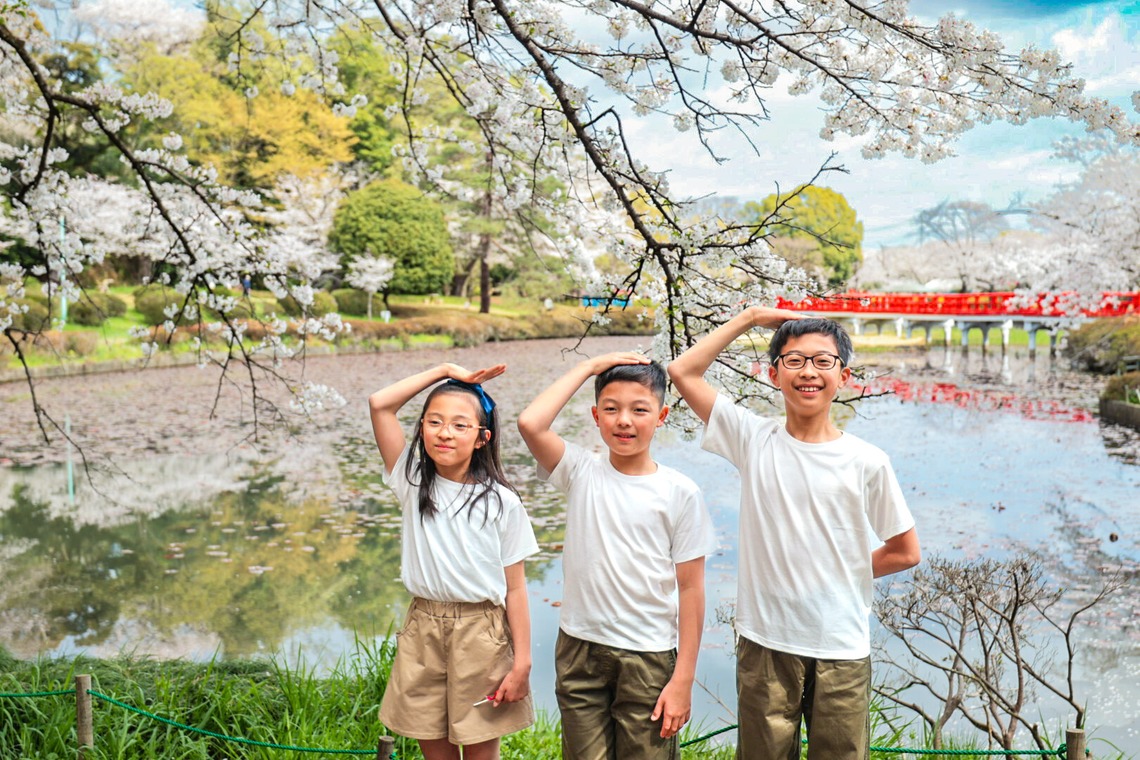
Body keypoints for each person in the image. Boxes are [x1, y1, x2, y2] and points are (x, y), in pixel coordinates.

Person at [668, 308, 922, 760]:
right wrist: (752, 317)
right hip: (766, 641)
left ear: (843, 376)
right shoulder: (753, 439)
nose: (809, 372)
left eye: (823, 362)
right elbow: (682, 370)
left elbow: (905, 552)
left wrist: (837, 572)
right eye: (795, 360)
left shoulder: (867, 460)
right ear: (773, 374)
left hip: (841, 644)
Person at [517, 353, 717, 760]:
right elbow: (530, 423)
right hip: (579, 648)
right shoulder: (580, 470)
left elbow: (691, 588)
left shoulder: (680, 492)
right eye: (611, 409)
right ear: (595, 415)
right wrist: (590, 367)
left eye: (639, 410)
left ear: (660, 417)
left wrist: (683, 679)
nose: (624, 420)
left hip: (648, 655)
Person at [369, 363, 537, 760]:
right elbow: (380, 405)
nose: (444, 432)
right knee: (434, 752)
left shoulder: (502, 502)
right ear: (422, 427)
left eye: (460, 425)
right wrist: (444, 371)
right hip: (423, 628)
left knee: (481, 751)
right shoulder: (411, 480)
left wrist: (523, 663)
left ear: (483, 438)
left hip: (482, 631)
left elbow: (516, 588)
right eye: (435, 421)